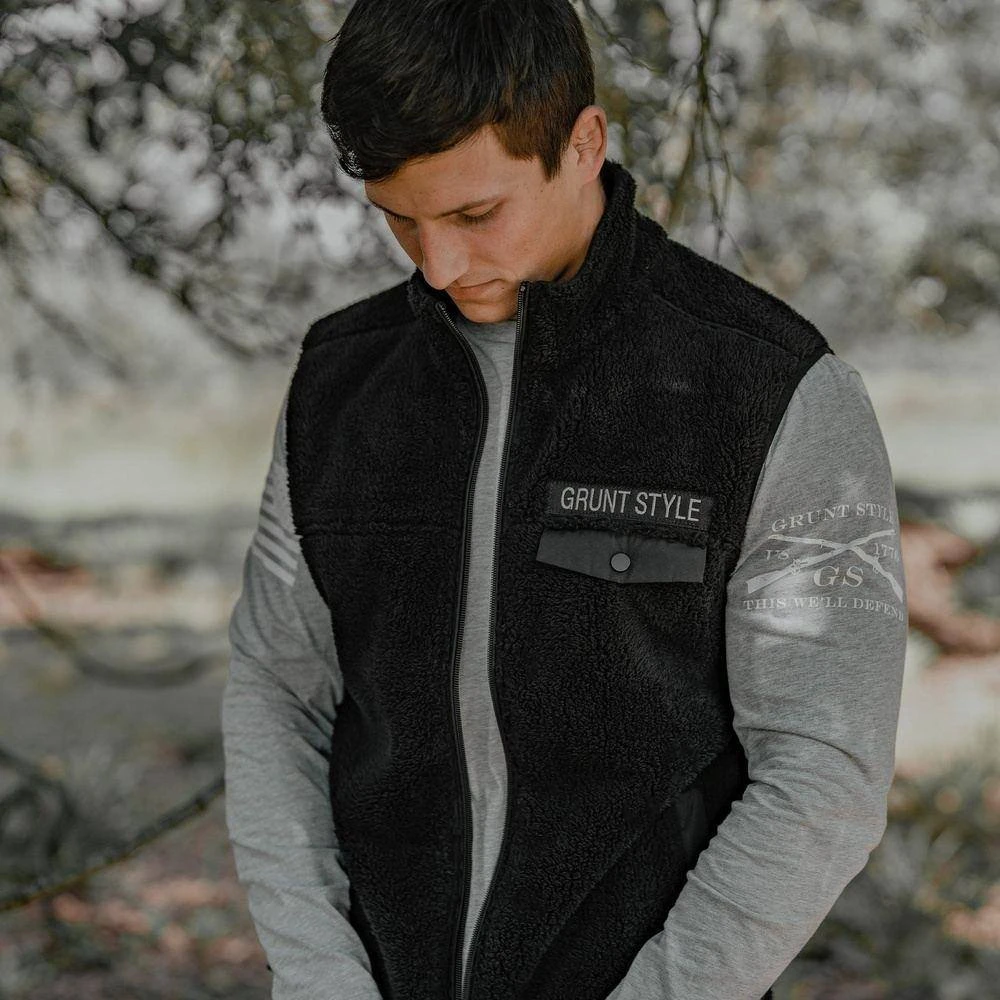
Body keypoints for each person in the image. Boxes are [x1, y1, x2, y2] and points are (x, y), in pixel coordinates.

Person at [220, 2, 908, 999]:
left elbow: (823, 770)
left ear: (582, 144)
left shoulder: (772, 389)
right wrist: (320, 977)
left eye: (473, 215)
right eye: (399, 219)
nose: (438, 266)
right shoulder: (339, 383)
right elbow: (279, 689)